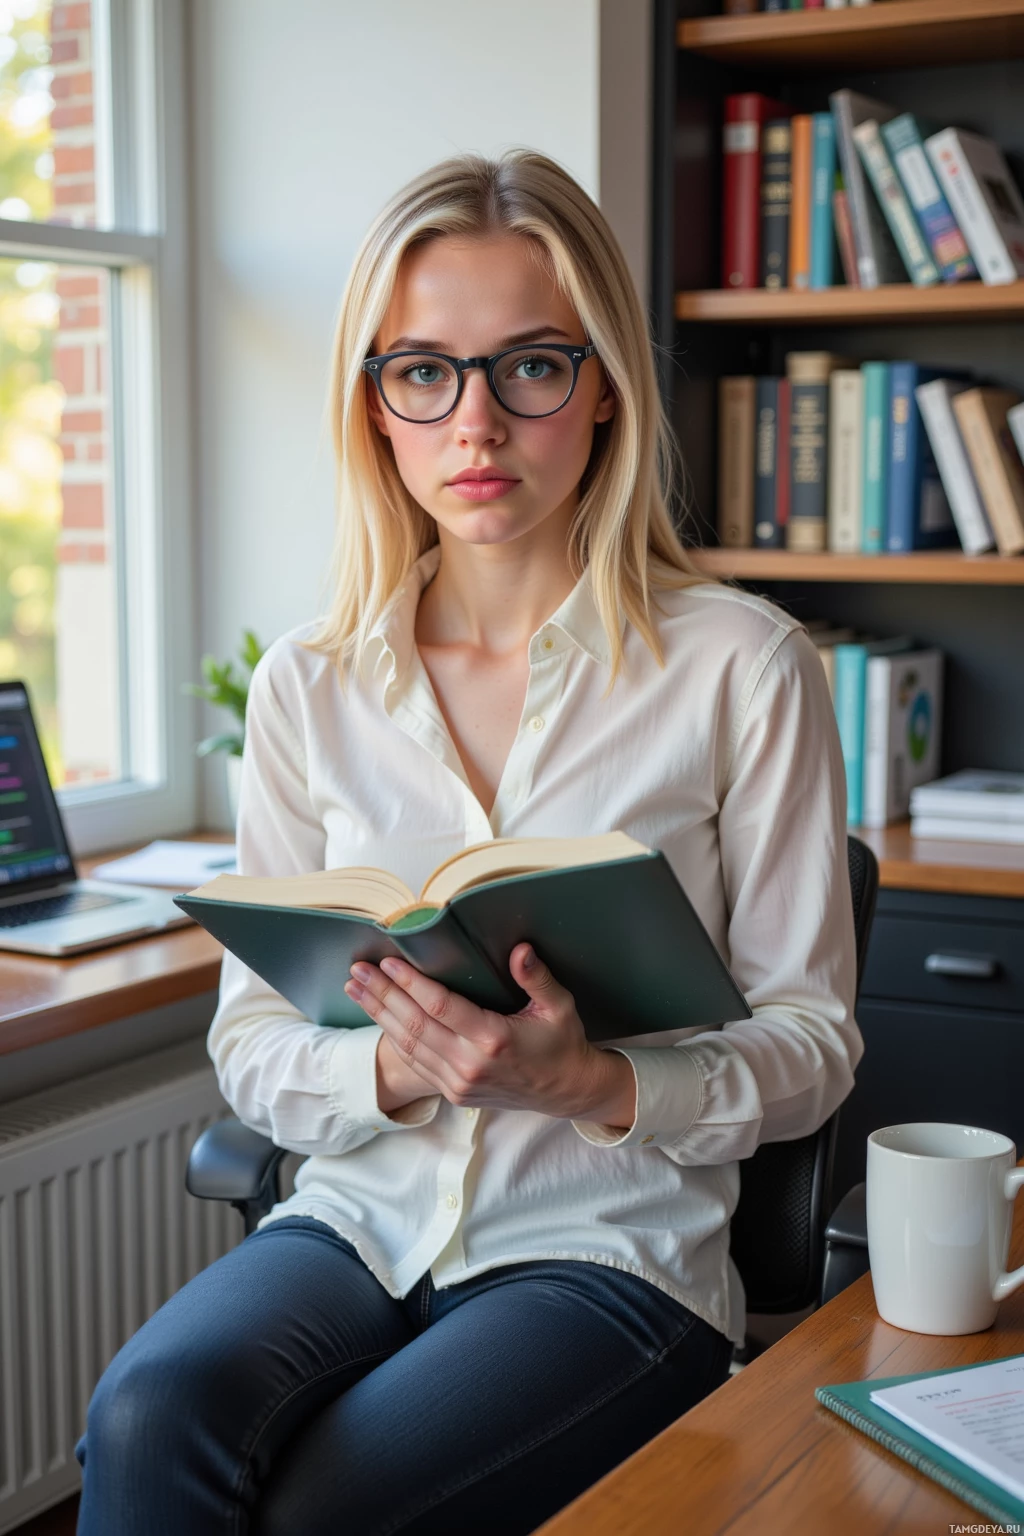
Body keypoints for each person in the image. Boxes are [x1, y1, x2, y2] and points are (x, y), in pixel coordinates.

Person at [75, 150, 862, 1536]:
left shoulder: (745, 664)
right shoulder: (309, 682)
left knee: (331, 1505)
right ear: (373, 402)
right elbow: (251, 1045)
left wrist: (595, 1082)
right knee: (149, 1412)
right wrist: (392, 1063)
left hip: (610, 1250)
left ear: (605, 380)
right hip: (356, 1221)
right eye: (422, 372)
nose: (475, 425)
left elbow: (813, 1045)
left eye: (531, 368)